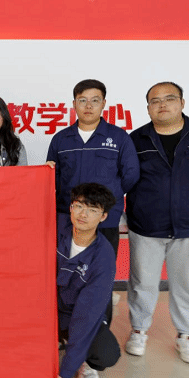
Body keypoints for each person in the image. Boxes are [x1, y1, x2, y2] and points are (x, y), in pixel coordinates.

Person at [125, 82, 189, 365]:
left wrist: (188, 194)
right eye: (155, 101)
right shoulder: (136, 139)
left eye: (169, 98)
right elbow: (128, 176)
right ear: (148, 108)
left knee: (186, 283)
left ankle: (186, 335)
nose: (162, 105)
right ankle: (139, 330)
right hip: (146, 225)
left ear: (182, 103)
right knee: (142, 282)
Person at [46, 79, 139, 258]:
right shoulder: (61, 139)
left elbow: (131, 174)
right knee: (67, 268)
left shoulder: (119, 137)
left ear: (103, 103)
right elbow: (53, 177)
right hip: (69, 218)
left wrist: (109, 196)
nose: (88, 106)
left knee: (102, 268)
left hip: (105, 219)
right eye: (82, 100)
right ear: (74, 104)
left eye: (95, 100)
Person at [53, 183, 121, 378]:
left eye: (92, 210)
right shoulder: (56, 226)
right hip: (46, 309)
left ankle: (83, 361)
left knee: (106, 353)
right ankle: (54, 340)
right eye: (79, 206)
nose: (83, 214)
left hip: (74, 314)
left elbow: (86, 314)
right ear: (71, 207)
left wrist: (66, 371)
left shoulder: (104, 257)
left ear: (103, 216)